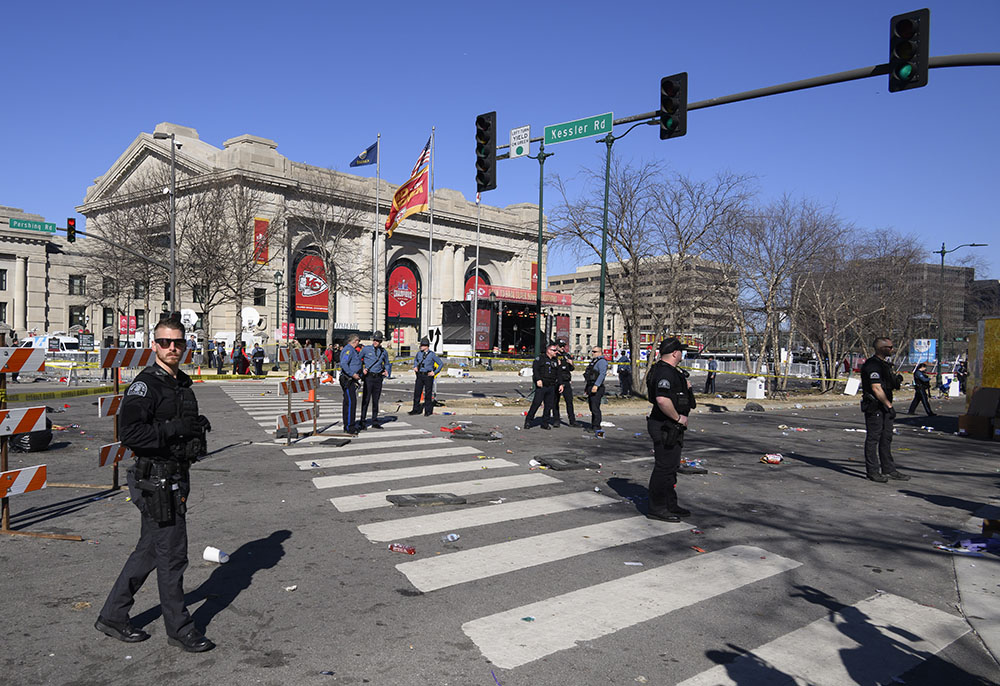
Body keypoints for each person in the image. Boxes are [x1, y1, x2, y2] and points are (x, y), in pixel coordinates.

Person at [95, 317, 215, 653]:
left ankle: (113, 615)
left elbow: (180, 427)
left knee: (149, 550)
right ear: (154, 345)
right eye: (165, 342)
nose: (172, 348)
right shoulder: (145, 386)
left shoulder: (181, 384)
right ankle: (180, 628)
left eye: (178, 342)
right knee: (173, 555)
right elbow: (131, 433)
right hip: (156, 481)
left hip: (175, 476)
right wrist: (174, 428)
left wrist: (194, 428)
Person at [645, 337, 697, 522]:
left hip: (670, 426)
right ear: (675, 353)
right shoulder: (664, 372)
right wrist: (678, 418)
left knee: (671, 467)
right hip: (665, 425)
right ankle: (657, 508)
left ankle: (669, 504)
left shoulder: (669, 371)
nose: (682, 354)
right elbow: (662, 400)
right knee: (664, 468)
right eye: (681, 351)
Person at [860, 337, 910, 483]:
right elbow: (876, 388)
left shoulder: (885, 365)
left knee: (886, 438)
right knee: (873, 439)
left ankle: (888, 469)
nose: (892, 349)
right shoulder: (872, 365)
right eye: (890, 347)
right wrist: (888, 405)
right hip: (875, 406)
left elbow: (888, 384)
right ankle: (873, 471)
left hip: (884, 406)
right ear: (882, 348)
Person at [524, 341, 562, 430]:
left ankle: (545, 423)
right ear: (548, 350)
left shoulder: (556, 361)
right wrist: (538, 379)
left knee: (548, 406)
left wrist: (560, 384)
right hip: (542, 385)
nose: (556, 352)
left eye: (556, 350)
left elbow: (558, 373)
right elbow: (535, 370)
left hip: (551, 385)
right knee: (536, 404)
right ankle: (528, 421)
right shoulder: (540, 359)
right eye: (554, 350)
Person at [360, 331, 390, 429]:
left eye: (377, 340)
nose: (375, 342)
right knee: (366, 399)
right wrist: (361, 369)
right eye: (374, 340)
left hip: (378, 377)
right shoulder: (366, 349)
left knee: (376, 400)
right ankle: (363, 420)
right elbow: (358, 360)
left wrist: (387, 371)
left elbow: (387, 363)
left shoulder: (383, 352)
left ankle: (374, 420)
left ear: (381, 341)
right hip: (369, 377)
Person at [408, 337, 442, 416]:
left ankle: (428, 411)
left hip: (428, 376)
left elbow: (440, 364)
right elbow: (416, 360)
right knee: (417, 393)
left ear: (427, 346)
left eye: (422, 345)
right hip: (420, 375)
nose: (421, 347)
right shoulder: (419, 353)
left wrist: (435, 372)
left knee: (428, 393)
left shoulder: (432, 355)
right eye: (421, 345)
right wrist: (415, 366)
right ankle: (415, 409)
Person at [339, 333, 363, 434]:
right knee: (350, 403)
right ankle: (349, 427)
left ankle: (348, 424)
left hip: (351, 379)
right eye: (358, 341)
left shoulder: (352, 350)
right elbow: (344, 363)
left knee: (348, 402)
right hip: (348, 379)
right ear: (355, 341)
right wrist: (352, 374)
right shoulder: (348, 350)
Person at [552, 339, 576, 427]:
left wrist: (571, 363)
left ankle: (572, 420)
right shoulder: (554, 355)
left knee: (569, 401)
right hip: (556, 381)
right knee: (555, 402)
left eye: (563, 346)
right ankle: (556, 420)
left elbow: (572, 368)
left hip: (566, 380)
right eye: (560, 346)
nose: (562, 348)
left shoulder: (566, 355)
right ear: (557, 346)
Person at [584, 345, 609, 430]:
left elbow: (602, 374)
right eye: (592, 351)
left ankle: (596, 426)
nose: (593, 353)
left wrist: (596, 385)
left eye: (595, 352)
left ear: (600, 352)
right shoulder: (594, 361)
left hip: (597, 387)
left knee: (595, 407)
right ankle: (593, 424)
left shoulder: (602, 361)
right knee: (592, 407)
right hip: (591, 385)